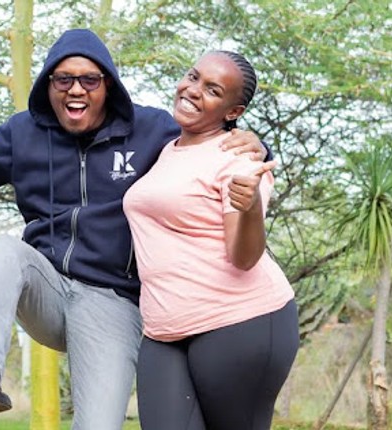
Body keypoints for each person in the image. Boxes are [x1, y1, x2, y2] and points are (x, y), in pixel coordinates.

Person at [0, 28, 268, 429]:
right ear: (48, 86)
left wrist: (254, 139)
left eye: (89, 80)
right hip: (46, 288)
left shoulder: (150, 128)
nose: (76, 89)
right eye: (63, 80)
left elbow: (209, 135)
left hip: (113, 303)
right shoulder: (25, 133)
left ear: (107, 86)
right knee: (6, 248)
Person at [123, 51, 298, 430]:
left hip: (240, 321)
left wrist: (250, 207)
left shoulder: (239, 158)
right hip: (163, 331)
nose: (193, 90)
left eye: (213, 90)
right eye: (193, 76)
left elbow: (245, 256)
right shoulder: (167, 150)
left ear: (232, 112)